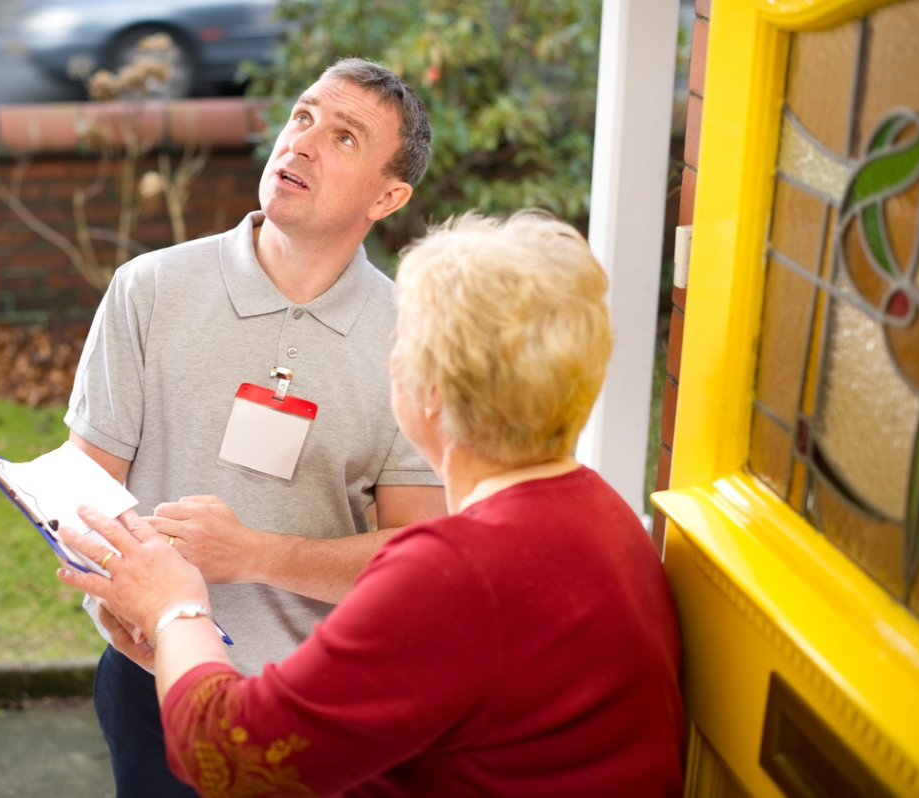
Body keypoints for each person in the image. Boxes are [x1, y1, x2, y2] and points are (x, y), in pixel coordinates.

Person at [57, 211, 686, 796]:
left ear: (429, 390)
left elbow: (231, 759)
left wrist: (175, 610)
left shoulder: (452, 574)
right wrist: (183, 656)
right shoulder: (610, 517)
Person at [64, 58, 447, 795]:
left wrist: (254, 554)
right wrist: (115, 594)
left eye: (343, 137)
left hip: (321, 697)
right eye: (302, 115)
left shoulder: (415, 338)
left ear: (389, 195)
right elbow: (86, 488)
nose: (300, 142)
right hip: (157, 682)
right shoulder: (149, 288)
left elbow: (415, 561)